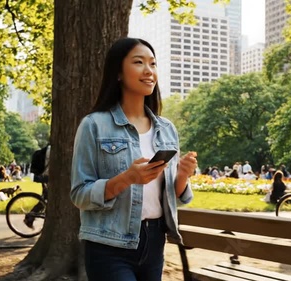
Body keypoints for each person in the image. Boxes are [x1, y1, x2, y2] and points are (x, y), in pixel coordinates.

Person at [70, 37, 197, 281]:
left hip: (154, 242)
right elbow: (79, 194)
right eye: (139, 62)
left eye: (153, 63)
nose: (149, 70)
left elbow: (173, 194)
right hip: (109, 245)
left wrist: (182, 175)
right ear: (118, 72)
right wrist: (127, 178)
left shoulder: (166, 129)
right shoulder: (93, 125)